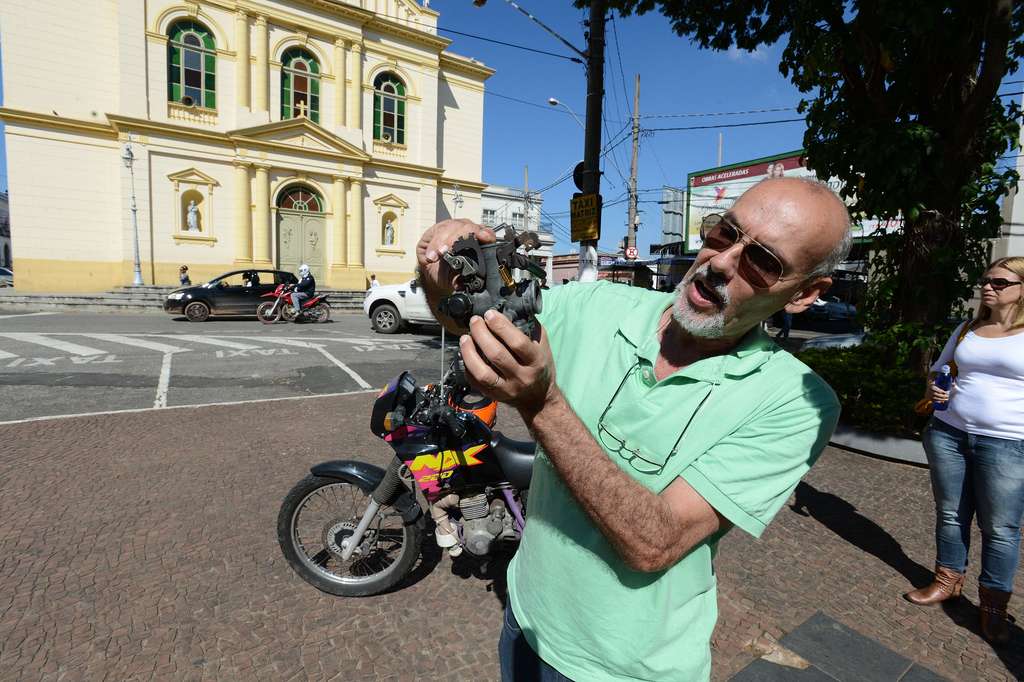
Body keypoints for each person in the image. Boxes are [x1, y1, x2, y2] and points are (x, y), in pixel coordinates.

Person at [417, 177, 852, 681]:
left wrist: (542, 403)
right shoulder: (596, 305)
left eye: (764, 262)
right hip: (527, 622)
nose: (721, 263)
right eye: (723, 232)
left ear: (805, 294)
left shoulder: (794, 400)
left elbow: (655, 544)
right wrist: (443, 266)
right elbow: (471, 319)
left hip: (630, 668)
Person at [905, 257, 1024, 645]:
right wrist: (937, 388)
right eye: (986, 280)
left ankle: (992, 606)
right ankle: (947, 580)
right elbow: (941, 368)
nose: (989, 287)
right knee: (952, 514)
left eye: (1000, 282)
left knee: (1001, 529)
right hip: (949, 433)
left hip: (1008, 442)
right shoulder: (968, 327)